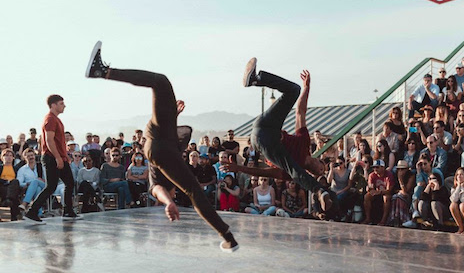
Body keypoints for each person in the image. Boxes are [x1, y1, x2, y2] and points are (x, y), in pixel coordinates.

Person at [85, 41, 238, 252]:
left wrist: (168, 202)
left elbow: (155, 189)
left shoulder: (167, 168)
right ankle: (227, 237)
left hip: (159, 139)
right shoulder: (169, 167)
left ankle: (102, 72)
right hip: (159, 143)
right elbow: (157, 189)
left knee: (160, 82)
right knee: (193, 190)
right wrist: (167, 202)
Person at [222, 59, 332, 212]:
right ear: (318, 160)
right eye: (323, 168)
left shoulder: (293, 170)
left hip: (265, 143)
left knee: (294, 171)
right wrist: (307, 88)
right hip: (265, 126)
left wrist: (239, 168)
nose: (321, 171)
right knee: (294, 90)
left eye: (320, 173)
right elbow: (300, 112)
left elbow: (264, 172)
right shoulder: (305, 142)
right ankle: (255, 79)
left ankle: (319, 191)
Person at [24, 95, 80, 223]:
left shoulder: (56, 120)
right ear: (53, 105)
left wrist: (64, 157)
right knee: (51, 186)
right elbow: (49, 141)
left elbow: (58, 141)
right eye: (61, 103)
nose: (64, 106)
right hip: (52, 157)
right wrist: (58, 158)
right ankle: (32, 212)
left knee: (70, 183)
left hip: (60, 157)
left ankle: (68, 211)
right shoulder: (50, 119)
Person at [363, 159, 394, 226]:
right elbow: (370, 187)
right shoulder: (372, 175)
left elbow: (389, 190)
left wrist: (379, 192)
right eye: (374, 167)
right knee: (367, 196)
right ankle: (368, 218)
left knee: (386, 198)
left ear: (383, 167)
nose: (375, 169)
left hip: (385, 193)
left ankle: (383, 220)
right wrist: (369, 189)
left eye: (377, 167)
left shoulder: (389, 175)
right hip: (376, 193)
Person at [17, 148, 45, 214]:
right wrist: (27, 184)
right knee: (37, 188)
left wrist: (42, 180)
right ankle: (39, 213)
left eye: (32, 155)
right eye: (28, 156)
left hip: (44, 186)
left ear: (34, 156)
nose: (31, 157)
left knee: (35, 181)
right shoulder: (22, 170)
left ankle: (24, 203)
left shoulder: (41, 166)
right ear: (24, 158)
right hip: (29, 189)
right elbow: (19, 183)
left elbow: (48, 179)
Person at [0, 148, 23, 221]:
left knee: (15, 182)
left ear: (13, 158)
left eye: (10, 155)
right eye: (6, 155)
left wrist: (11, 182)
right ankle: (9, 200)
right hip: (2, 186)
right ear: (2, 157)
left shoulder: (16, 168)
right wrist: (6, 182)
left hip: (13, 187)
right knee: (13, 195)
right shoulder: (0, 168)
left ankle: (8, 199)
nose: (8, 157)